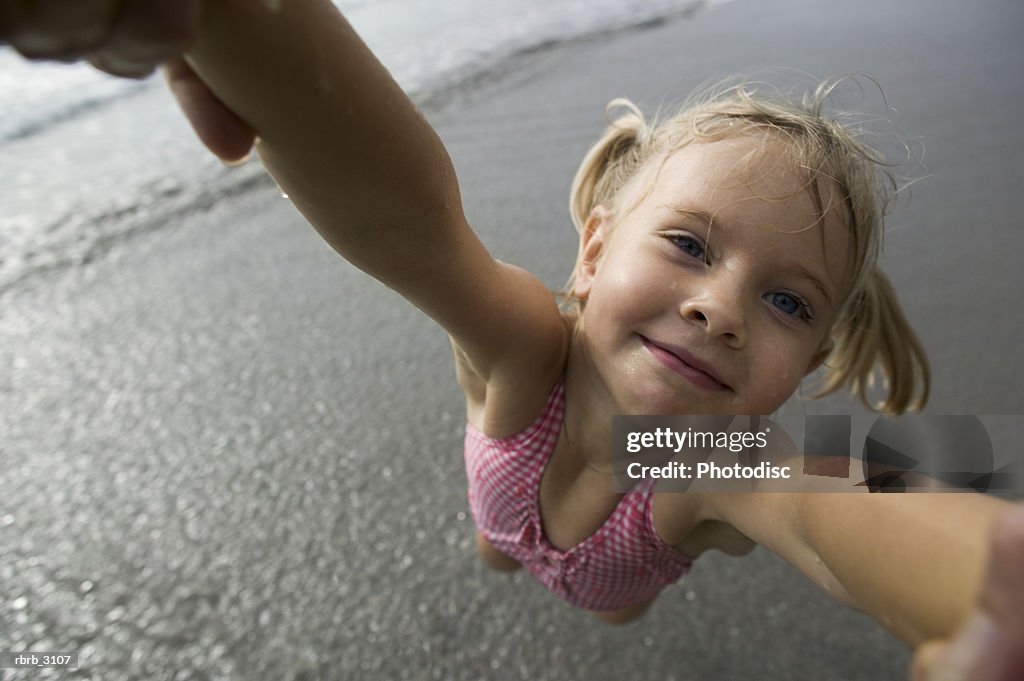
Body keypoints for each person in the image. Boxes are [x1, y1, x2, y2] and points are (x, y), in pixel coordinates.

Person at [3, 1, 1022, 679]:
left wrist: (983, 585)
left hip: (610, 581)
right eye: (688, 244)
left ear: (800, 367)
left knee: (652, 586)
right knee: (497, 541)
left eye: (789, 305)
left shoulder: (706, 464)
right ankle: (496, 541)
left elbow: (831, 518)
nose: (720, 308)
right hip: (515, 474)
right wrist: (226, 18)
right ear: (592, 251)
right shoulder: (528, 346)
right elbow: (409, 223)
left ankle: (984, 463)